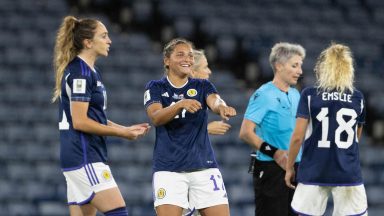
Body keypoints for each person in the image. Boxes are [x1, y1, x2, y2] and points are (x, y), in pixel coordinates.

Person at [52, 16, 150, 216]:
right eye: (104, 36)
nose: (109, 41)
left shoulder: (89, 71)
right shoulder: (81, 73)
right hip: (85, 155)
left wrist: (124, 128)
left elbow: (93, 116)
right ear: (88, 42)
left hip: (81, 155)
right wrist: (120, 134)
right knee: (118, 212)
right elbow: (80, 121)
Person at [144, 38, 236, 216]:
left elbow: (215, 100)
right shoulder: (155, 87)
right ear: (167, 61)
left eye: (190, 55)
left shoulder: (202, 85)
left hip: (204, 167)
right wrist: (179, 104)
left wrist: (221, 107)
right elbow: (156, 117)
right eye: (180, 54)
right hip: (169, 170)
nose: (187, 59)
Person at [285, 44, 368, 216]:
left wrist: (289, 167)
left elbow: (297, 138)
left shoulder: (309, 95)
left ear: (324, 67)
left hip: (313, 171)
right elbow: (356, 137)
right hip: (347, 173)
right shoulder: (357, 97)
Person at [239, 42, 305, 216]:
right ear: (279, 66)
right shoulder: (264, 94)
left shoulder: (296, 94)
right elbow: (245, 132)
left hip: (295, 167)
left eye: (300, 66)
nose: (300, 71)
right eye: (294, 65)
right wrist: (274, 152)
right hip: (271, 168)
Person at [191, 49, 231, 136]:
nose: (209, 71)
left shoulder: (205, 87)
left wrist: (222, 106)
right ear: (193, 72)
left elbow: (215, 99)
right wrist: (206, 129)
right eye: (205, 67)